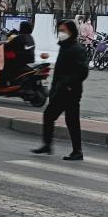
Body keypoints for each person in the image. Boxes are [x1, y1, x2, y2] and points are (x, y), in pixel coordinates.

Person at [32, 20, 88, 160]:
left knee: (68, 119)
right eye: (60, 30)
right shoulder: (65, 47)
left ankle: (75, 150)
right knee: (56, 117)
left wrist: (67, 84)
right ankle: (50, 145)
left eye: (63, 30)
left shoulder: (77, 49)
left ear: (71, 31)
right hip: (61, 90)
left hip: (70, 91)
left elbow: (82, 72)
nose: (61, 33)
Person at [1, 21, 36, 85]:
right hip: (30, 60)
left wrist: (1, 46)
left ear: (22, 28)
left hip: (20, 60)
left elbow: (8, 46)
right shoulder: (30, 37)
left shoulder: (20, 37)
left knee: (5, 67)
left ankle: (6, 83)